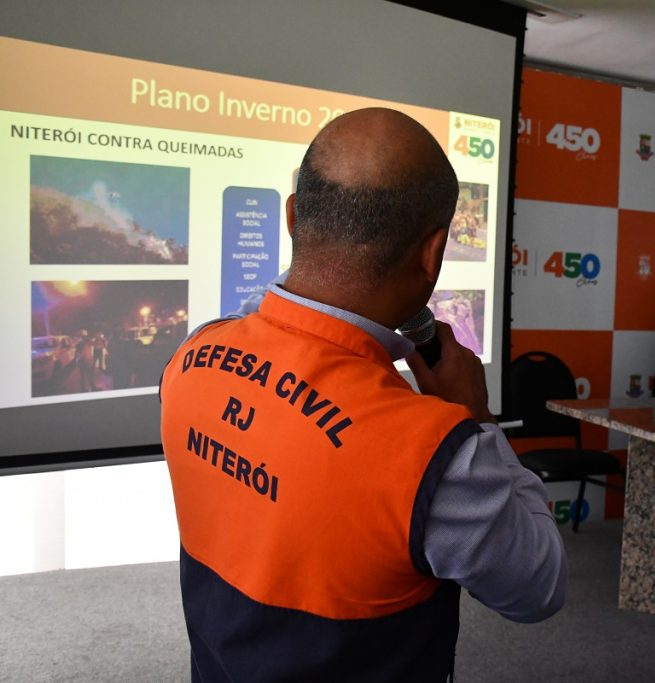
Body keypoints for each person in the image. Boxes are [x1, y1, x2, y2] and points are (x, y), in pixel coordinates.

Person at [159, 108, 567, 682]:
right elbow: (538, 587)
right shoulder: (436, 451)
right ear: (433, 253)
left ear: (293, 216)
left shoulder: (191, 357)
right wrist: (478, 420)